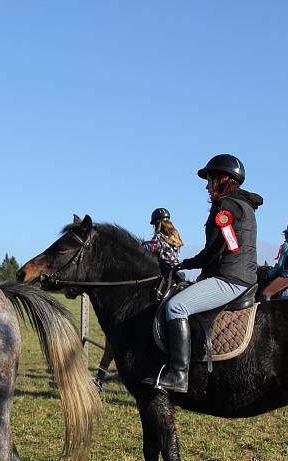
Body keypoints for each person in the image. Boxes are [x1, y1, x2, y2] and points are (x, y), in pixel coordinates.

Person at [142, 154, 262, 393]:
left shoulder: (226, 207)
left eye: (210, 180)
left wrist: (185, 264)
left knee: (175, 307)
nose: (207, 186)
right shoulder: (243, 205)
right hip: (239, 274)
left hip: (232, 277)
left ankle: (178, 374)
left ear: (223, 179)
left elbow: (218, 249)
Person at [94, 208, 184, 393]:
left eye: (154, 224)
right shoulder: (176, 238)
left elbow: (143, 256)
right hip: (175, 279)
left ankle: (99, 380)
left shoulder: (158, 239)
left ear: (157, 223)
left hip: (159, 281)